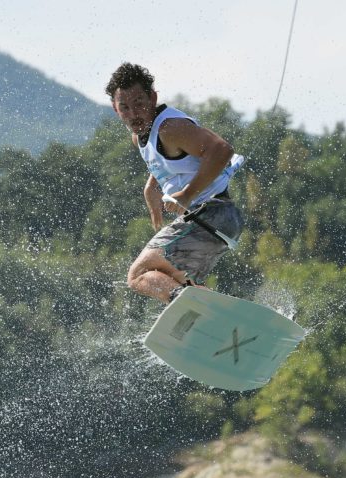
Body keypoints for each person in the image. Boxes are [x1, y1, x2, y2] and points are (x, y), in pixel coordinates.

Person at [105, 62, 245, 304]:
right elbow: (171, 163)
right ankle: (214, 313)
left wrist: (187, 194)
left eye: (139, 103)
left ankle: (195, 307)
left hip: (211, 214)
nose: (133, 114)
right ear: (115, 109)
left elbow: (222, 150)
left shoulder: (169, 128)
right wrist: (151, 186)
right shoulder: (140, 136)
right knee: (172, 279)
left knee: (139, 275)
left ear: (152, 98)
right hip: (217, 221)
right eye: (124, 107)